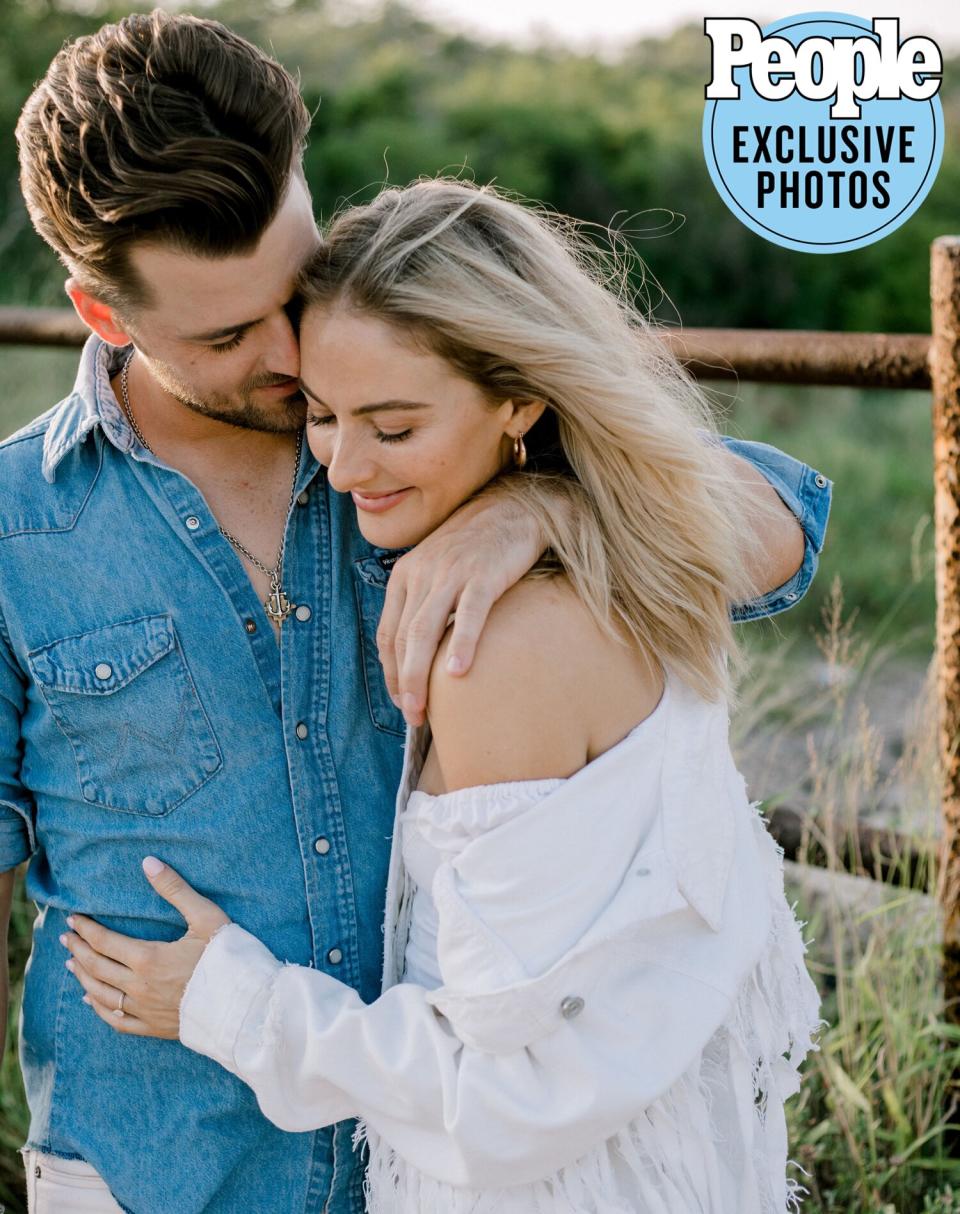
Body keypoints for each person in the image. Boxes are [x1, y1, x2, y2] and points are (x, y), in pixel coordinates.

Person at [63, 178, 832, 1213]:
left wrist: (226, 999)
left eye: (393, 426)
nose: (341, 468)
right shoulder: (626, 555)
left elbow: (507, 1097)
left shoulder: (498, 643)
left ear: (521, 398)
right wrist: (542, 499)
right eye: (325, 416)